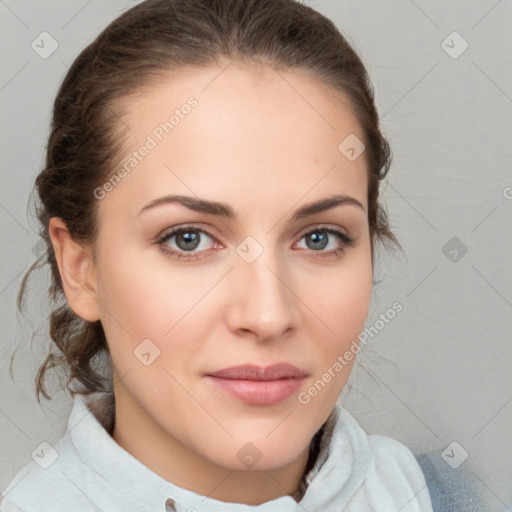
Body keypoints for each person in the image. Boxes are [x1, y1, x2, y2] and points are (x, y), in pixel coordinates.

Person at [1, 0, 434, 510]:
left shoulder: (432, 492)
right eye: (189, 238)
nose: (268, 315)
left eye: (320, 237)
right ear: (81, 270)